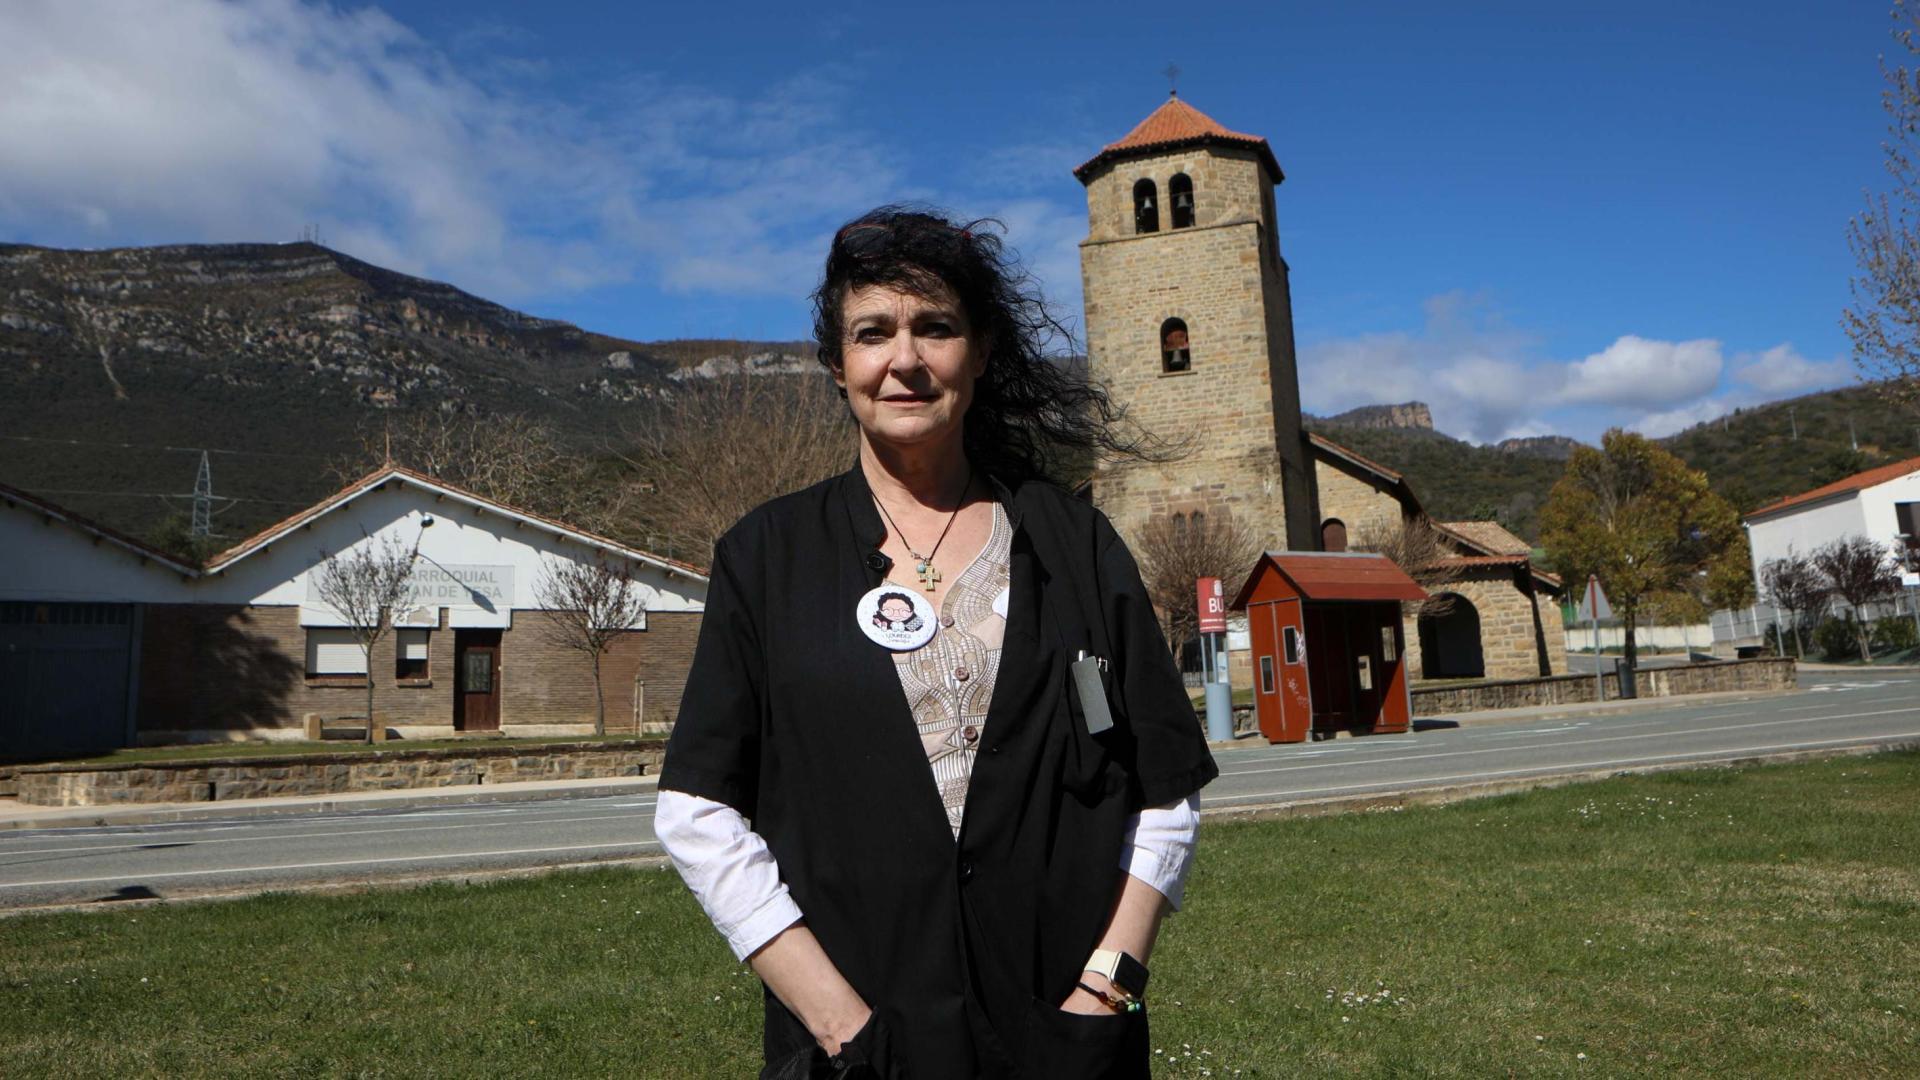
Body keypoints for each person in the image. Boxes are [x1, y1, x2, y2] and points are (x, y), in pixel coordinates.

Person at [655, 205, 1218, 1079]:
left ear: (981, 353)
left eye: (936, 328)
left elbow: (1165, 786)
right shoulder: (765, 558)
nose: (904, 360)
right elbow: (696, 812)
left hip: (1063, 1044)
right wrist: (840, 1022)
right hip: (856, 1052)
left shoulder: (1075, 544)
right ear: (838, 367)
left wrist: (1108, 985)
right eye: (872, 333)